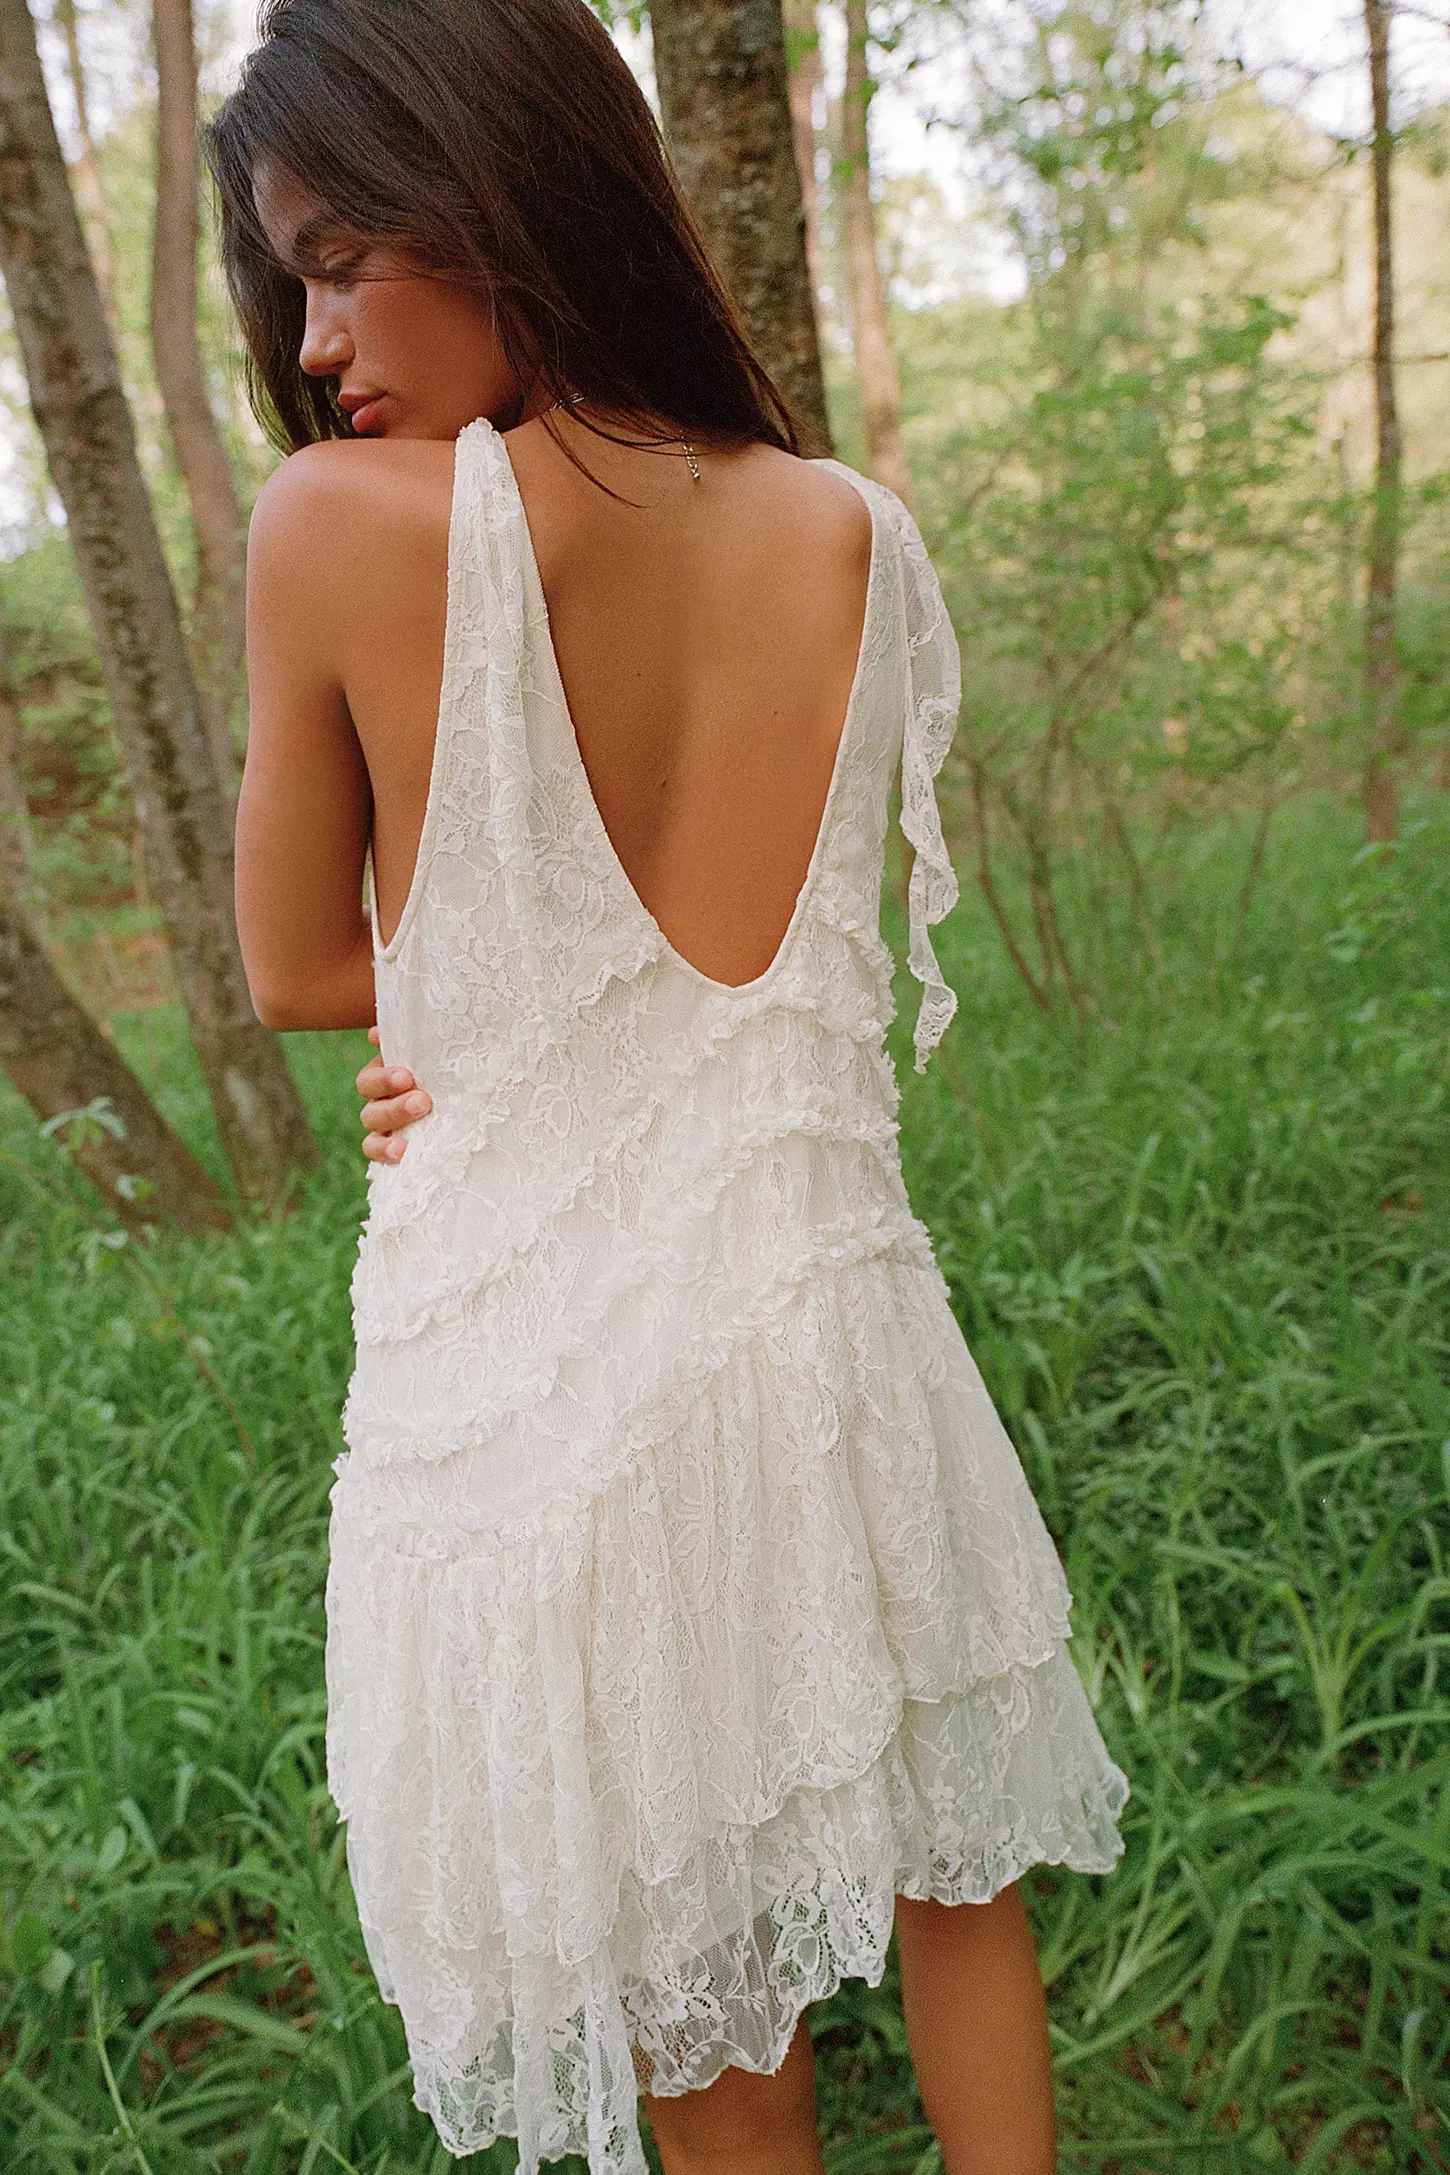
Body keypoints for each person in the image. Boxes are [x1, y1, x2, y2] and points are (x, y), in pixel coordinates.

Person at [212, 2, 1128, 2169]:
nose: (318, 344)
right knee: (956, 1870)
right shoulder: (846, 529)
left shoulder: (343, 525)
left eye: (342, 260)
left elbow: (294, 966)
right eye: (294, 283)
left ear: (494, 183)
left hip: (548, 1399)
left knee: (701, 1989)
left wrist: (458, 1026)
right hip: (830, 1342)